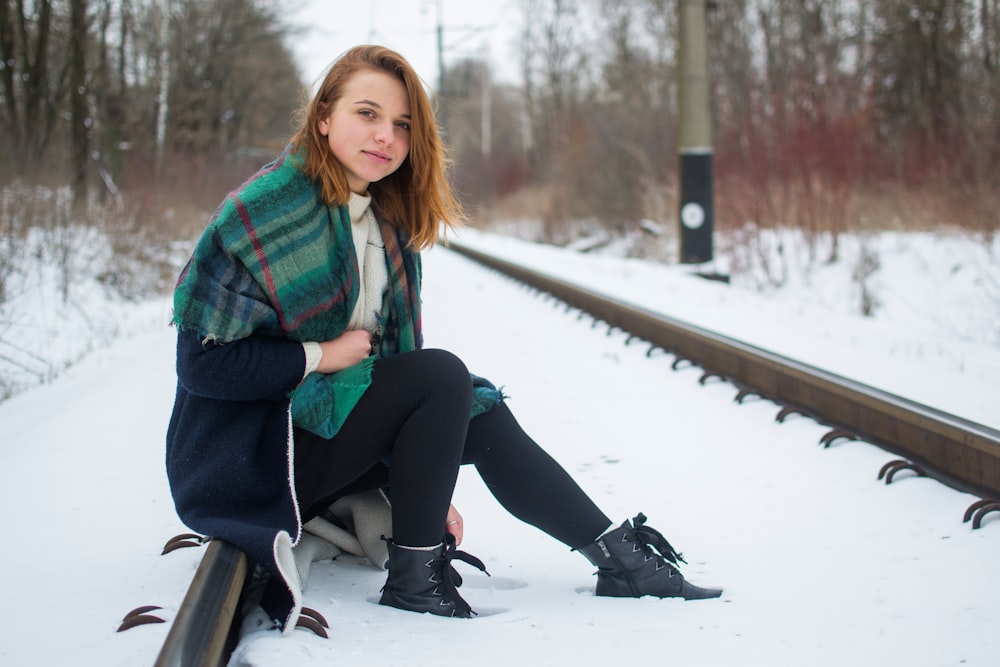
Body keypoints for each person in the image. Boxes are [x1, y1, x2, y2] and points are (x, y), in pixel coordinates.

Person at [166, 44, 721, 633]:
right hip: (250, 456)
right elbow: (203, 368)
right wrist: (321, 355)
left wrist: (422, 484)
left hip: (322, 434)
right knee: (441, 375)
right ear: (323, 116)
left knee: (476, 410)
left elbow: (395, 381)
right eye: (368, 113)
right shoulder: (260, 213)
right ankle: (415, 579)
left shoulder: (386, 219)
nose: (386, 135)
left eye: (402, 125)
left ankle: (618, 559)